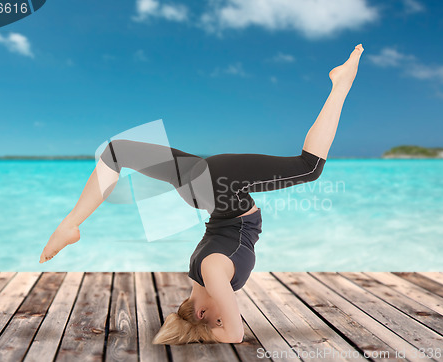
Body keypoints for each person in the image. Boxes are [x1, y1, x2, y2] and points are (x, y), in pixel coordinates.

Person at [40, 44, 364, 345]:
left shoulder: (209, 272)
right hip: (206, 192)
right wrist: (188, 328)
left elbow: (234, 335)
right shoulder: (197, 273)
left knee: (309, 167)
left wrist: (212, 330)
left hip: (222, 188)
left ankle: (340, 85)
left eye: (217, 317)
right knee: (117, 151)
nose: (228, 312)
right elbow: (213, 311)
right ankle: (70, 224)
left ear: (203, 313)